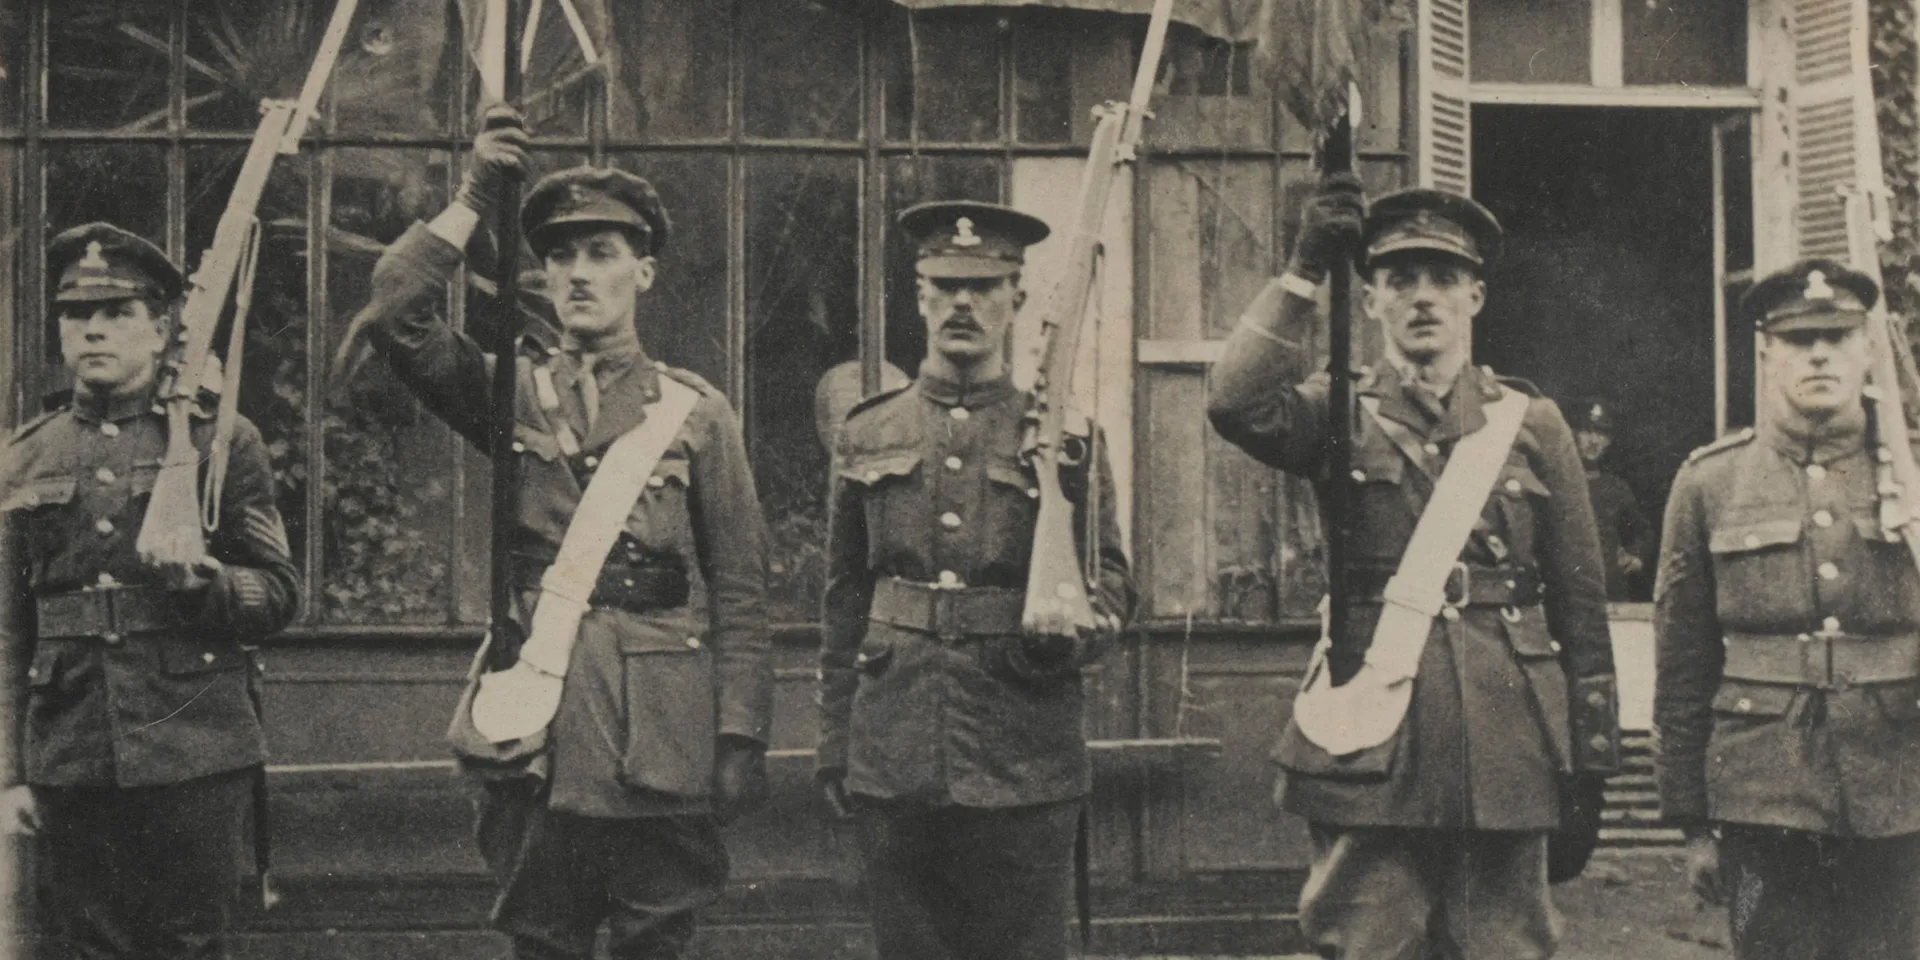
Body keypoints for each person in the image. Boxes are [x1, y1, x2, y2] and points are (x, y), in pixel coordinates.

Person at [352, 105, 773, 960]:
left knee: (657, 936)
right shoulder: (506, 390)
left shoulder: (694, 412)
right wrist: (474, 192)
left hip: (659, 726)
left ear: (643, 272)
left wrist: (740, 737)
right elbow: (396, 312)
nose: (577, 274)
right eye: (559, 256)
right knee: (542, 937)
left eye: (602, 253)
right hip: (536, 720)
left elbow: (741, 588)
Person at [1207, 178, 1619, 959]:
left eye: (1443, 278)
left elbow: (1581, 602)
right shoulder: (1336, 411)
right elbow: (1234, 403)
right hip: (1374, 736)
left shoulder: (1530, 423)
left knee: (1506, 948)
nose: (1423, 297)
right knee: (1370, 941)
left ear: (1475, 297)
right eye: (1399, 280)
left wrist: (1591, 760)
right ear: (1370, 301)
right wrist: (1302, 271)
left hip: (1507, 737)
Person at [816, 200, 1136, 960]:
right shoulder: (868, 431)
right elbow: (844, 598)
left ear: (1016, 299)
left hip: (1024, 748)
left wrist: (1076, 631)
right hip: (895, 748)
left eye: (985, 286)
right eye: (946, 285)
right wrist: (835, 741)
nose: (964, 303)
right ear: (919, 295)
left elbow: (1114, 582)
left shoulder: (1065, 439)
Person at [0, 222, 300, 958]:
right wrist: (10, 774)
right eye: (77, 314)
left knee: (189, 945)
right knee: (90, 946)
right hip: (71, 750)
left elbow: (279, 592)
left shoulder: (219, 442)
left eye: (118, 312)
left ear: (162, 329)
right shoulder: (24, 458)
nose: (93, 330)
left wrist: (205, 582)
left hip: (193, 746)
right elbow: (8, 631)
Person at [1654, 259, 1920, 960]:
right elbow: (1683, 662)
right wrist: (1692, 823)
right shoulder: (1710, 482)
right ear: (1767, 353)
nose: (1820, 354)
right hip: (1761, 795)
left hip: (1902, 788)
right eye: (1800, 340)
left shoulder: (1914, 474)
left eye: (1838, 337)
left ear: (1868, 350)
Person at [1567, 399, 1652, 600]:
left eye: (1601, 433)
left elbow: (1643, 531)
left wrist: (1636, 556)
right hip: (1568, 590)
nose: (1593, 441)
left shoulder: (1616, 488)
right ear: (1574, 434)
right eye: (1587, 431)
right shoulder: (1559, 485)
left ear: (1609, 441)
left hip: (1610, 591)